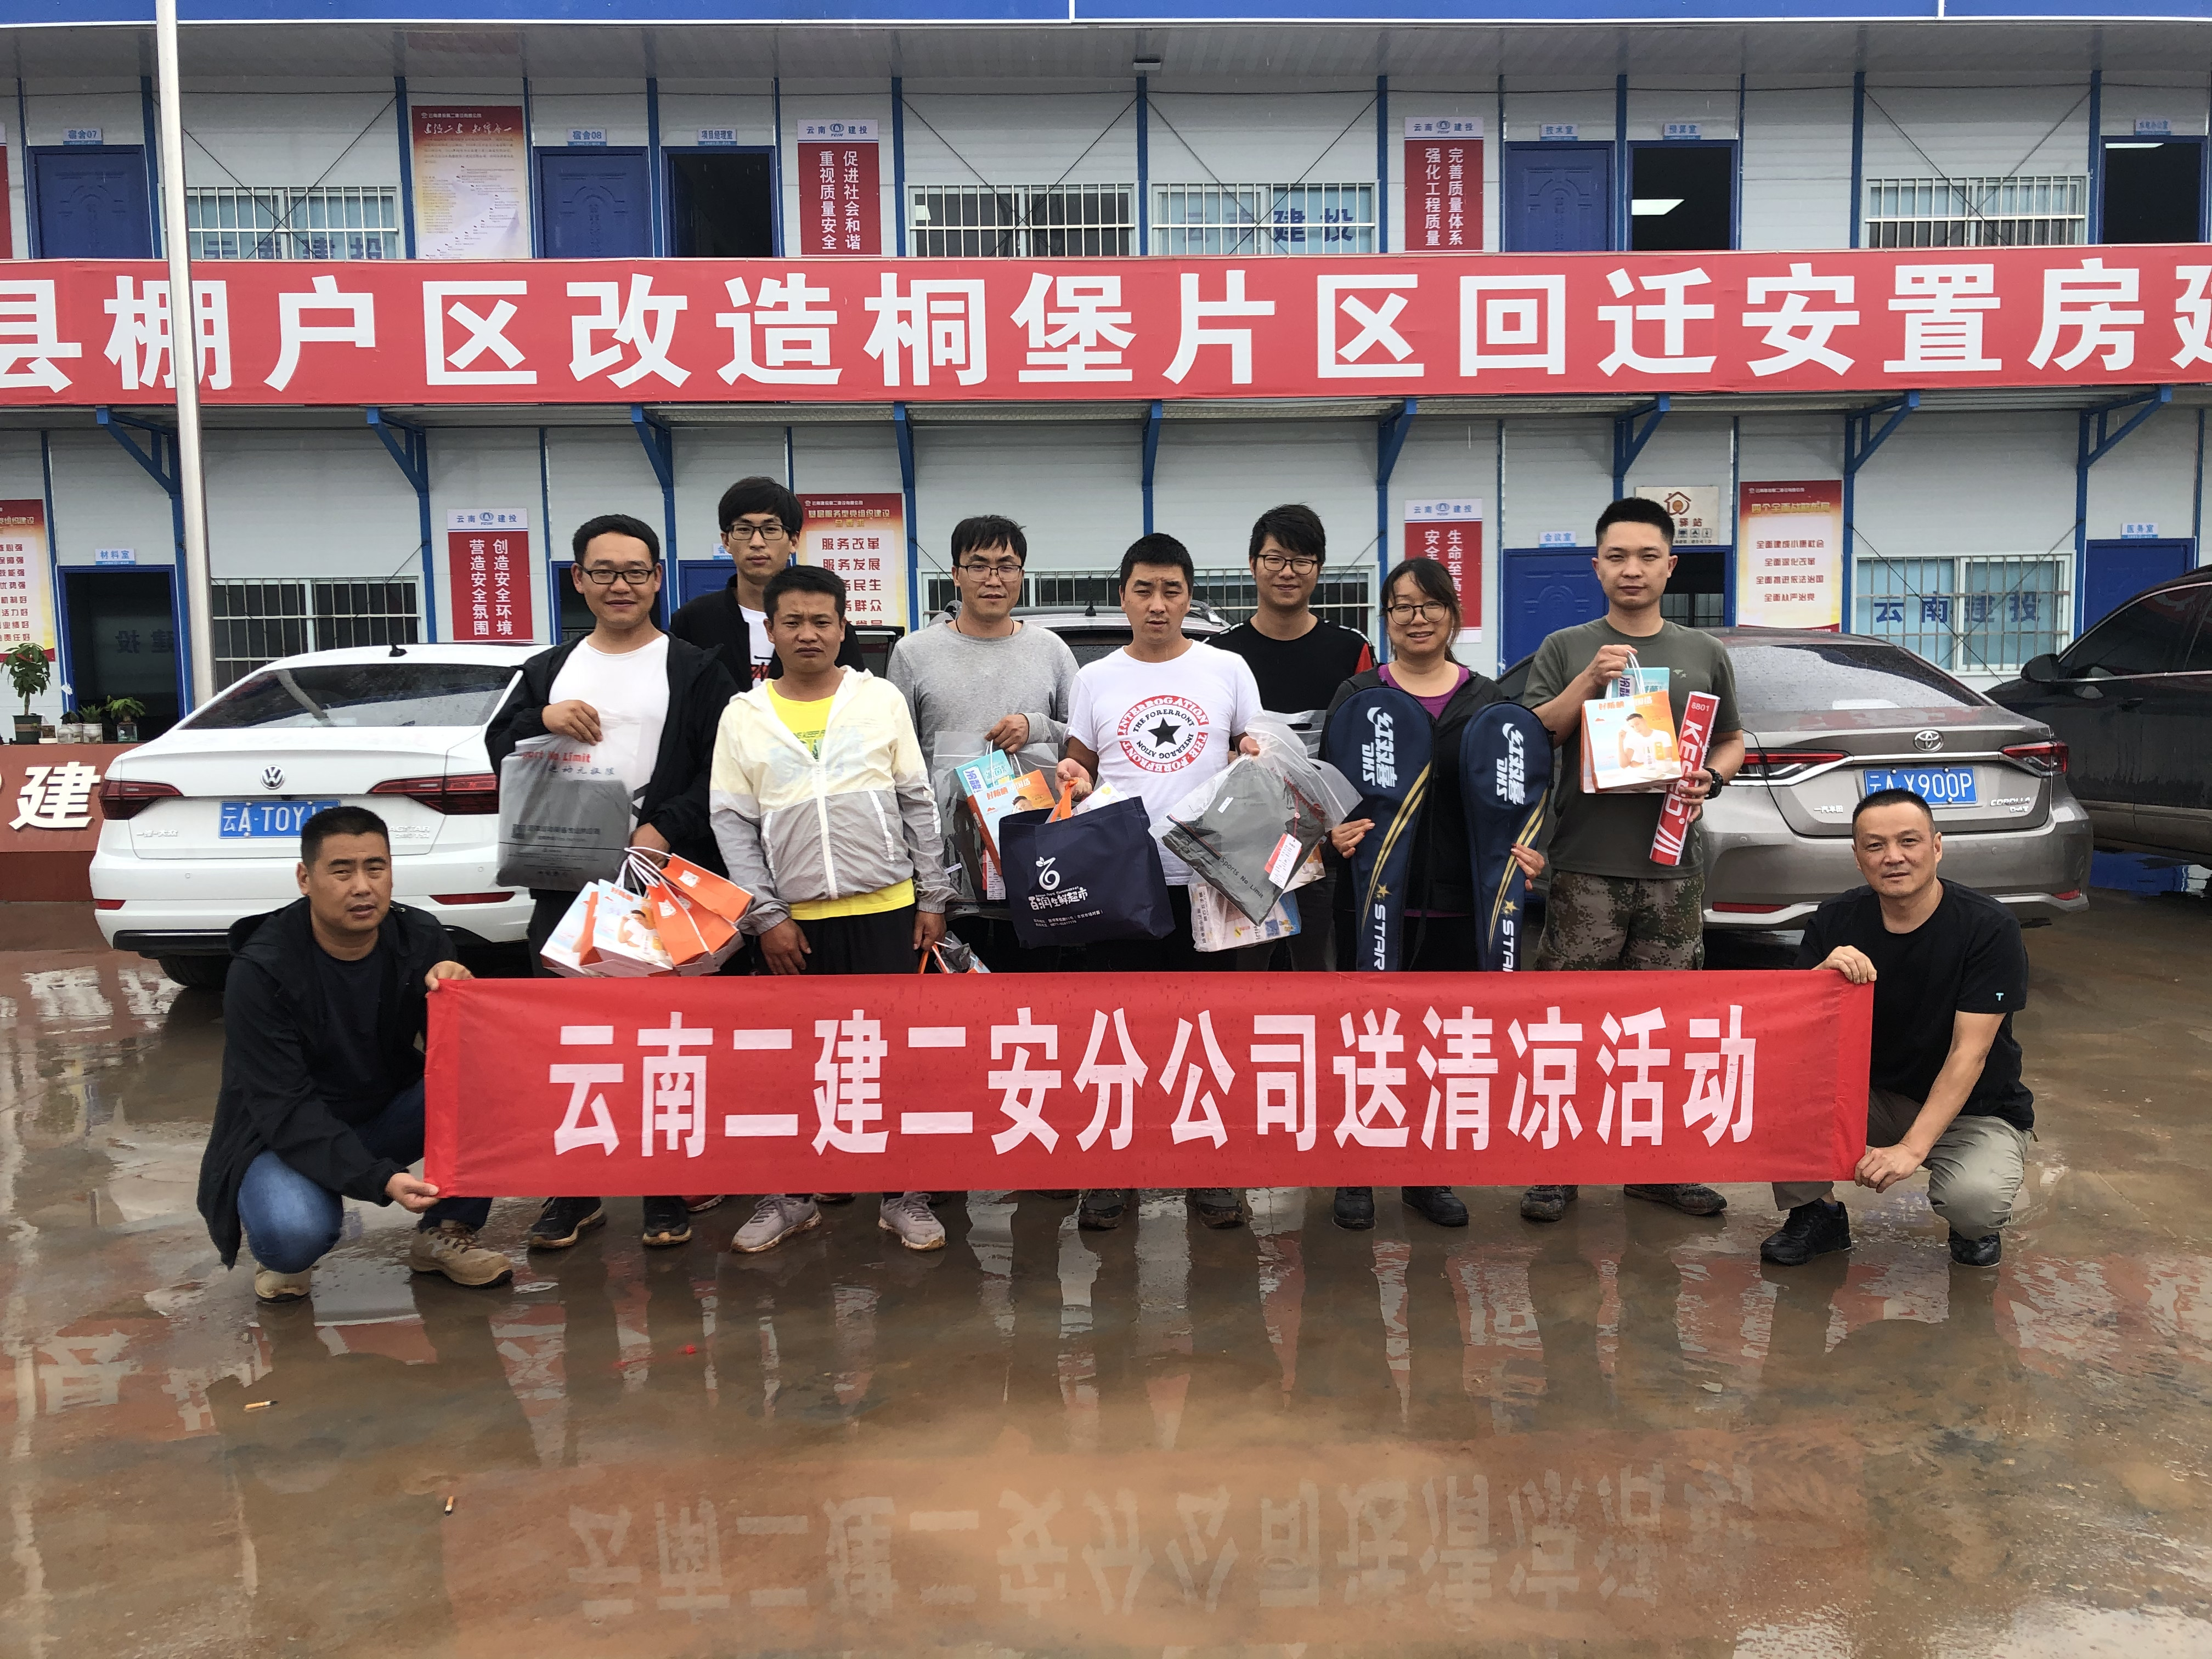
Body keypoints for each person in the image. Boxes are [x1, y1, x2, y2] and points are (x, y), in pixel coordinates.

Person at [486, 512, 740, 1253]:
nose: (620, 585)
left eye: (635, 571)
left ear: (658, 579)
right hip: (566, 880)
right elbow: (498, 744)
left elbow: (722, 767)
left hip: (659, 876)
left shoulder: (694, 668)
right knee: (573, 1037)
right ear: (580, 580)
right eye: (604, 571)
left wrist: (665, 829)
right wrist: (542, 715)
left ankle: (663, 1187)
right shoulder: (548, 670)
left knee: (661, 1039)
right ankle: (576, 1191)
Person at [710, 563, 953, 1255]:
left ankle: (903, 1195)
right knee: (792, 1066)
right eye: (792, 621)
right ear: (770, 629)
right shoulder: (744, 715)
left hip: (888, 911)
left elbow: (917, 802)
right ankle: (791, 1197)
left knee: (896, 1060)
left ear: (844, 628)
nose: (808, 634)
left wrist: (932, 896)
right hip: (794, 926)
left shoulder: (879, 701)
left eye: (822, 621)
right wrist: (767, 917)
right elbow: (732, 822)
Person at [1517, 495, 1745, 1226]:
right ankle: (1556, 1168)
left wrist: (1713, 776)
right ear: (1597, 567)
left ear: (1671, 566)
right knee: (1569, 1026)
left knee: (1666, 1030)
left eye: (1648, 556)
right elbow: (1534, 734)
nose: (1632, 570)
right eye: (1617, 557)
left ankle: (1659, 1170)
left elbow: (1733, 739)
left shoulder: (1703, 653)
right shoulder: (1566, 646)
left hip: (1674, 868)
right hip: (1585, 865)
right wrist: (1588, 681)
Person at [195, 806, 509, 1302]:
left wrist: (457, 1003)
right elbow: (283, 1106)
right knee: (294, 1234)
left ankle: (446, 1230)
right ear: (305, 878)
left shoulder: (420, 937)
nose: (363, 887)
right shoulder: (261, 969)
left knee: (484, 1081)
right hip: (280, 1136)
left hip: (382, 1115)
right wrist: (381, 1179)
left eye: (375, 868)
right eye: (342, 872)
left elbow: (463, 1061)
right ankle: (287, 1236)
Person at [1322, 557, 1546, 1233]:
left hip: (1457, 905)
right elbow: (1326, 787)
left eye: (1431, 605)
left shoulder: (1487, 701)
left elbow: (1521, 794)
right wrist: (1332, 834)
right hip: (1371, 903)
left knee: (1440, 1047)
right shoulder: (1359, 693)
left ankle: (1427, 1175)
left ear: (1453, 615)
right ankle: (1355, 1174)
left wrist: (1535, 851)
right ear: (1386, 618)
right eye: (1402, 606)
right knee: (1366, 1043)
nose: (1417, 619)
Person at [1057, 532, 1265, 1235]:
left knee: (1207, 1032)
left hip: (1210, 882)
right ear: (1124, 596)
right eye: (1143, 589)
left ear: (1188, 598)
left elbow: (1251, 754)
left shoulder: (1227, 668)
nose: (1157, 604)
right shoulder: (1095, 679)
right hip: (1121, 882)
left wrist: (1255, 753)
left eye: (1171, 590)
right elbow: (1080, 765)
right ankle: (1113, 1173)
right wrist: (1074, 776)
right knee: (1116, 1033)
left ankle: (1210, 1172)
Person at [1765, 789, 2033, 1268]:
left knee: (1975, 1202)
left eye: (1909, 841)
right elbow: (1792, 1030)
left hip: (1972, 1107)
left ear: (1937, 847)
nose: (1893, 857)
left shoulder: (1989, 927)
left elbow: (1969, 1053)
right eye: (1875, 846)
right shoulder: (1836, 919)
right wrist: (1819, 978)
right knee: (1773, 1092)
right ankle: (1817, 1213)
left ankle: (1972, 1227)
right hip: (1869, 1095)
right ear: (1857, 857)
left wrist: (1911, 1148)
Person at [886, 512, 1078, 972]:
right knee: (953, 1002)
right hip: (946, 873)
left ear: (1021, 576)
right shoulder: (913, 654)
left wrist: (1038, 726)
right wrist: (924, 882)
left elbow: (1085, 740)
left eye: (1006, 566)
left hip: (1037, 865)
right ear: (956, 574)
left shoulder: (1052, 651)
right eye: (979, 565)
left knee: (1036, 998)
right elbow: (894, 763)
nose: (994, 579)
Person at [1213, 503, 1374, 972]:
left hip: (1329, 851)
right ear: (1253, 564)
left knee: (1320, 980)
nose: (1287, 572)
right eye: (1275, 558)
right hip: (1241, 854)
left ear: (1318, 569)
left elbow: (1364, 753)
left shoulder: (1351, 650)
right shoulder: (1219, 655)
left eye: (1301, 560)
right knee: (1242, 986)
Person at [670, 475, 865, 688]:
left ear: (794, 541)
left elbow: (854, 696)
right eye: (744, 530)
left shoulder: (826, 626)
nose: (757, 543)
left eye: (771, 529)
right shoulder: (694, 621)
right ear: (726, 541)